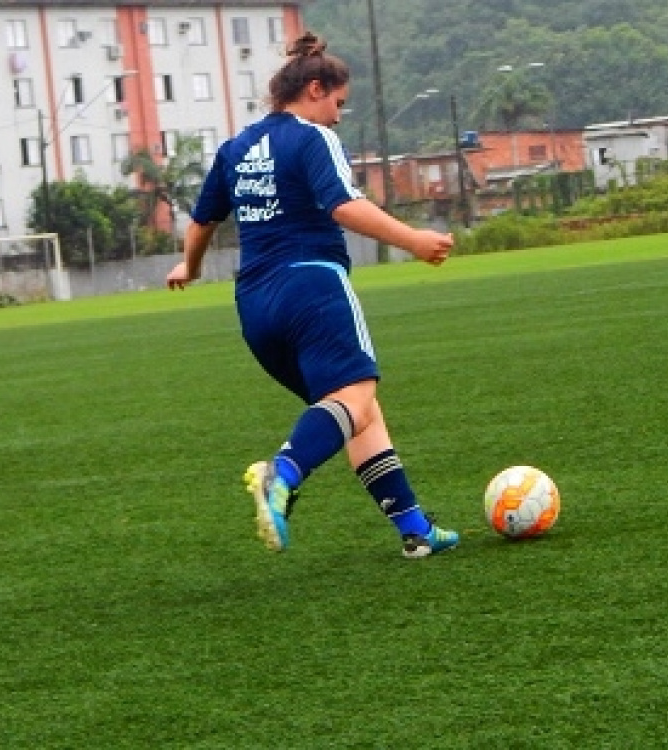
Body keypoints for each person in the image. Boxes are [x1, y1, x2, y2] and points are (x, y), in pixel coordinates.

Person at [166, 32, 458, 558]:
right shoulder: (312, 138)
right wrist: (413, 240)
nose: (338, 118)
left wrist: (189, 267)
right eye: (338, 104)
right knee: (354, 397)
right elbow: (342, 205)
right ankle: (281, 473)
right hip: (311, 286)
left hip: (255, 307)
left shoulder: (235, 148)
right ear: (315, 88)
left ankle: (416, 530)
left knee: (356, 409)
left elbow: (202, 221)